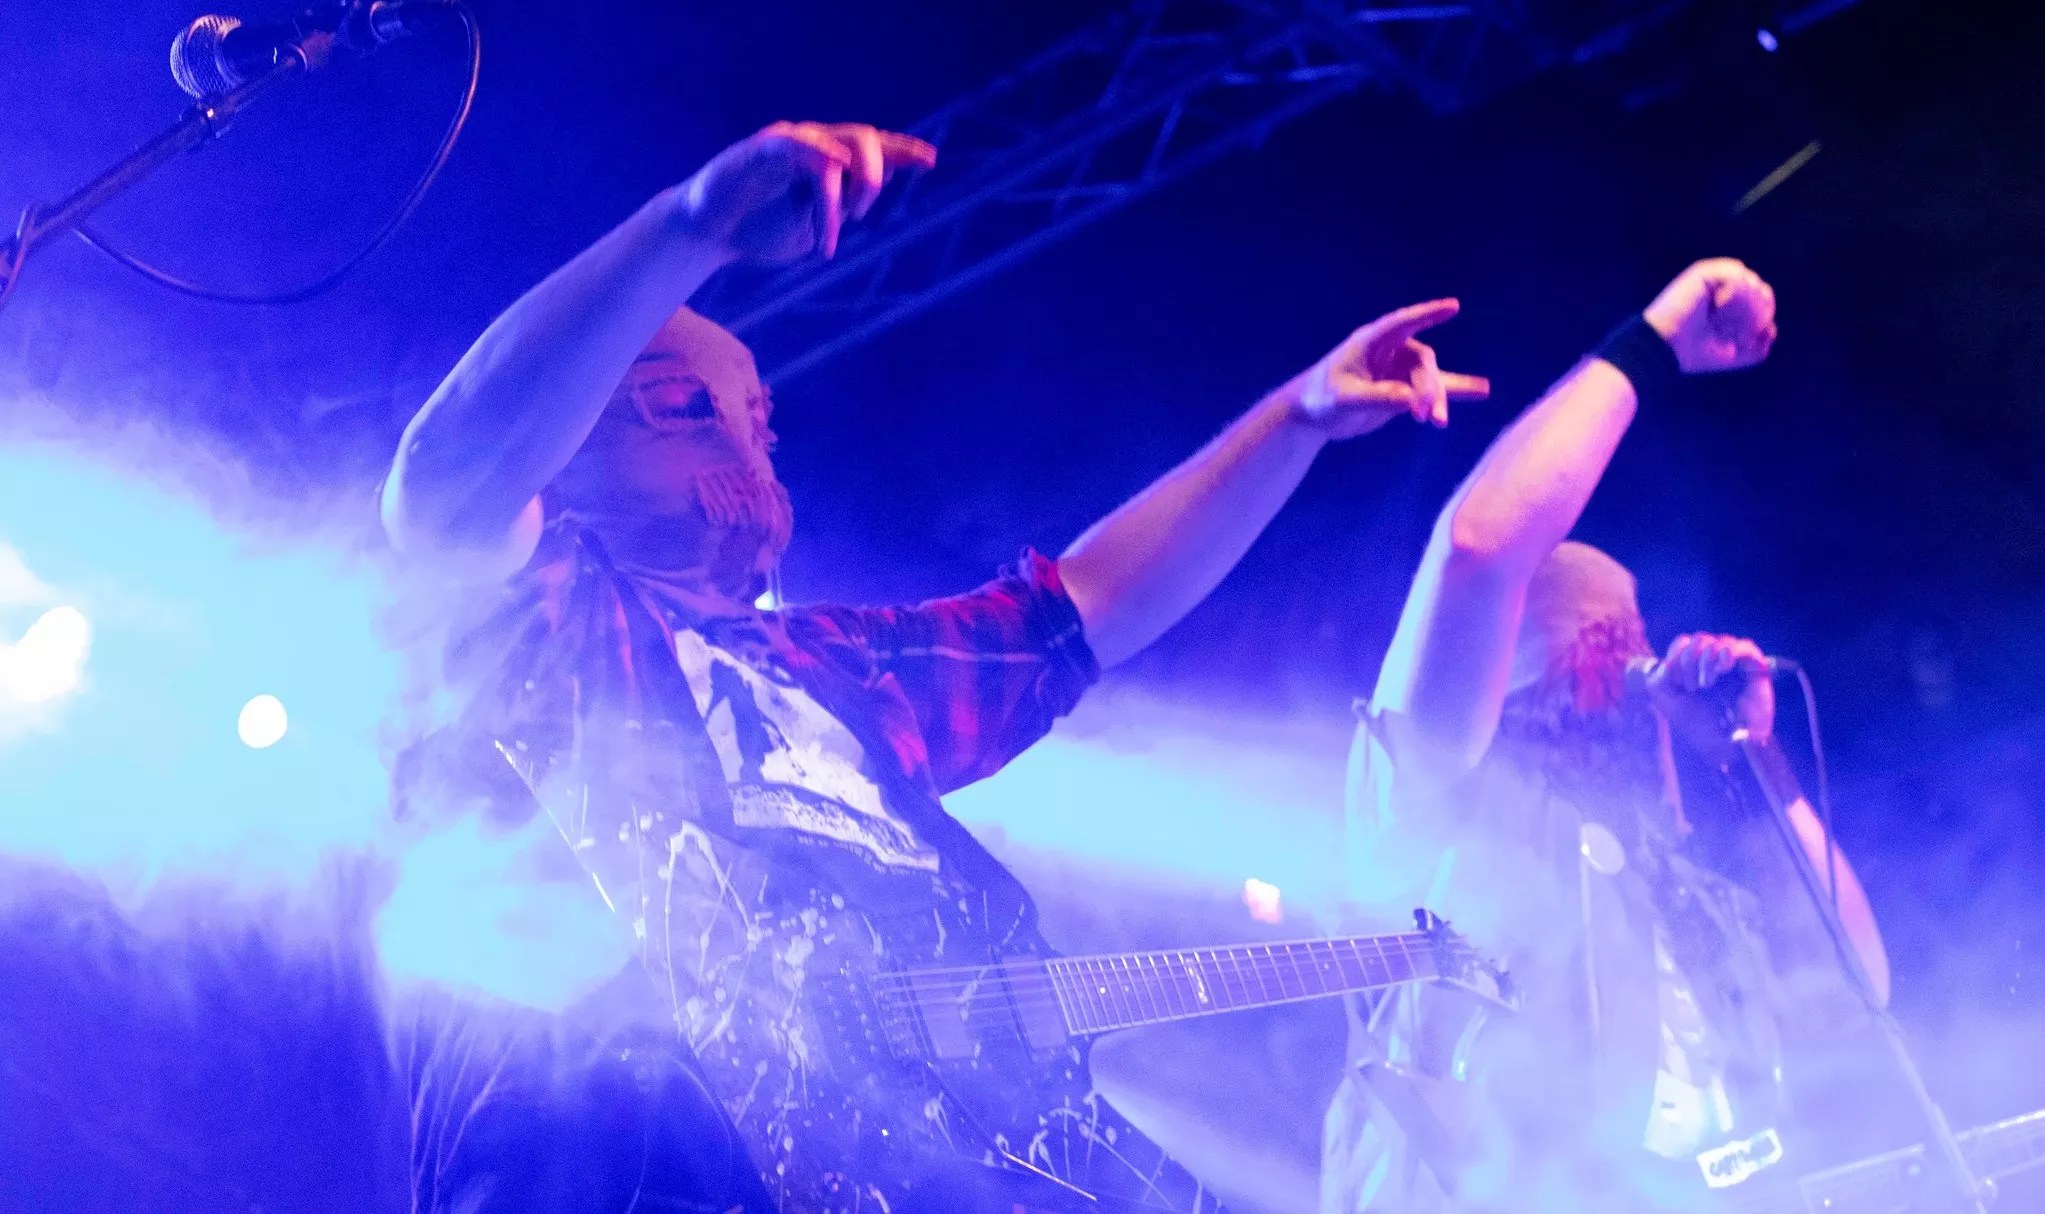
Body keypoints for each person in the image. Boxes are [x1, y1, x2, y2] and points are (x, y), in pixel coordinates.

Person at [378, 120, 1489, 1213]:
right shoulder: (537, 625)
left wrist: (1293, 418)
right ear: (565, 443)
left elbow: (1080, 609)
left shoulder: (825, 667)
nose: (741, 441)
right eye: (679, 407)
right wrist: (688, 228)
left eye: (759, 420)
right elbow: (444, 481)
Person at [1322, 259, 1893, 1211]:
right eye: (1601, 665)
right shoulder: (1435, 824)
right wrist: (1653, 346)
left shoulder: (1681, 886)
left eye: (1634, 653)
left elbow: (1857, 991)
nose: (1635, 690)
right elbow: (1478, 549)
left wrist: (1759, 760)